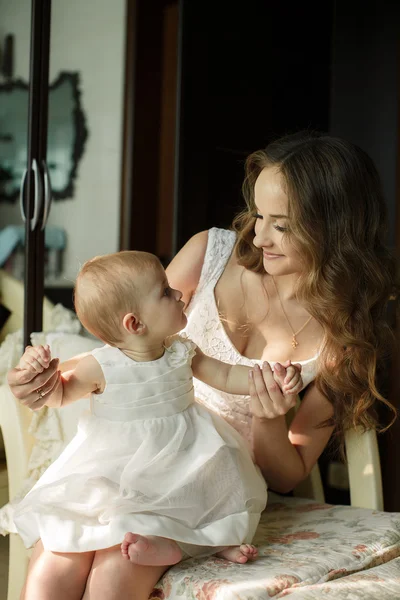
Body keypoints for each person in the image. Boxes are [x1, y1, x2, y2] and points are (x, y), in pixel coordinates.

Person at [8, 131, 397, 600]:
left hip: (212, 483)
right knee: (56, 553)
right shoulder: (208, 255)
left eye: (282, 225)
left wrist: (268, 417)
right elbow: (128, 347)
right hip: (132, 458)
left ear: (335, 228)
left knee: (116, 567)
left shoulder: (343, 338)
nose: (257, 236)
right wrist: (48, 382)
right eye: (258, 216)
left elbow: (287, 475)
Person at [12, 250, 303, 600]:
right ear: (135, 324)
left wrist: (267, 377)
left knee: (178, 513)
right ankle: (164, 544)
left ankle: (179, 544)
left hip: (179, 467)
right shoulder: (100, 365)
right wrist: (37, 371)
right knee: (63, 555)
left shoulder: (181, 351)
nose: (179, 294)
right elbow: (59, 393)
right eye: (166, 292)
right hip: (116, 472)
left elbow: (225, 374)